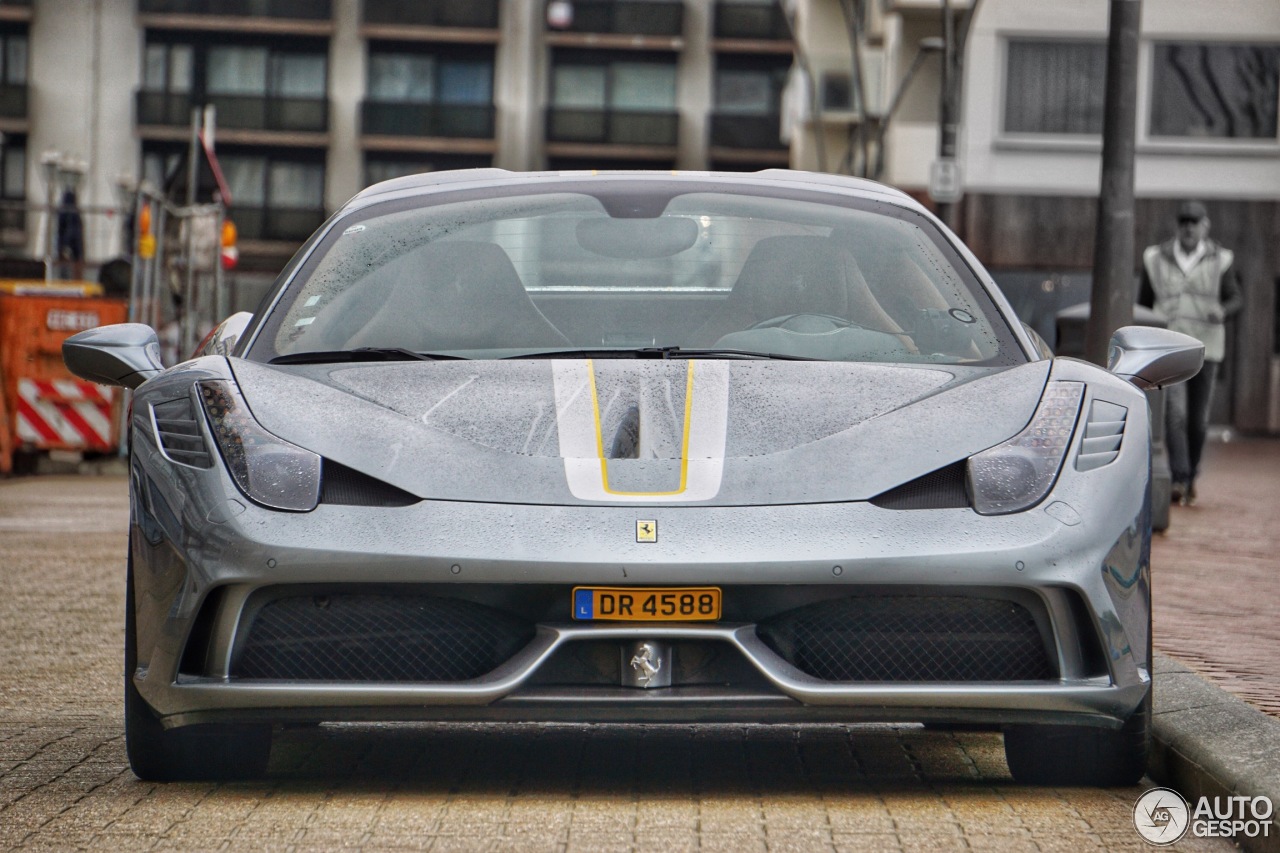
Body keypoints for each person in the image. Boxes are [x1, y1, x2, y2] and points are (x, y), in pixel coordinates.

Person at [1138, 200, 1244, 505]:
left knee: (1198, 419)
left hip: (1206, 349)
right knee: (1175, 413)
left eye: (1193, 222)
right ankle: (1179, 478)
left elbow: (1236, 298)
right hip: (1170, 347)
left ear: (1204, 226)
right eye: (1183, 221)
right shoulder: (1155, 258)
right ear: (1177, 225)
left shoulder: (1221, 260)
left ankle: (1191, 473)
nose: (1188, 227)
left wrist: (1223, 311)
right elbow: (1143, 304)